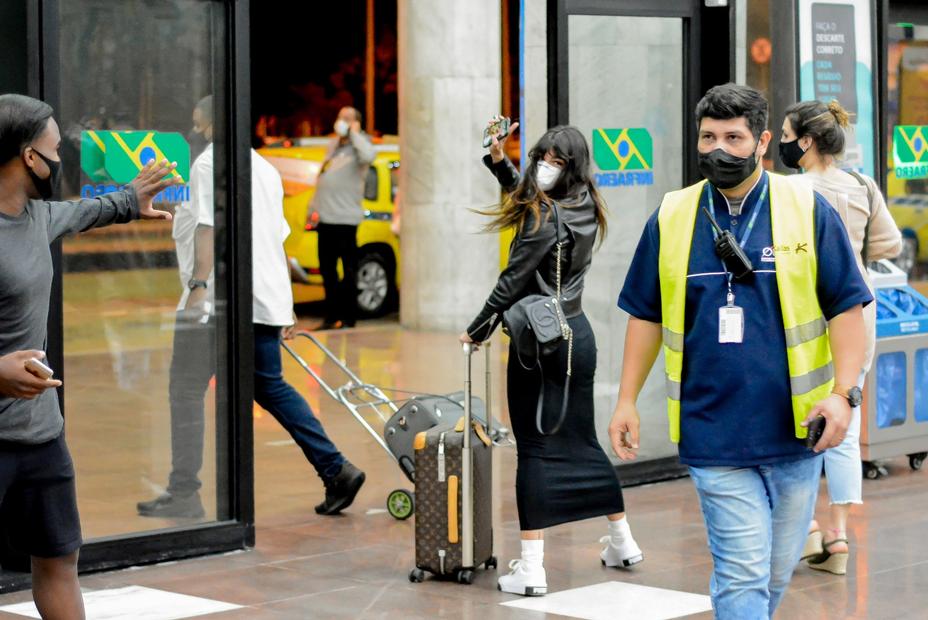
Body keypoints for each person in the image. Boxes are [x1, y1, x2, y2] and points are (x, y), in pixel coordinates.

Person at [609, 83, 872, 619]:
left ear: (763, 142)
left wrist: (845, 395)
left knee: (772, 574)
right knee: (742, 572)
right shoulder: (672, 215)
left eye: (734, 137)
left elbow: (847, 308)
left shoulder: (807, 209)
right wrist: (626, 399)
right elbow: (647, 314)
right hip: (713, 430)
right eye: (708, 137)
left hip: (797, 431)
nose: (719, 150)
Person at [138, 98, 365, 520]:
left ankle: (184, 491)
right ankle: (337, 470)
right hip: (261, 299)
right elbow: (274, 237)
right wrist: (284, 306)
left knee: (185, 390)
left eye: (196, 119)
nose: (194, 126)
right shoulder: (262, 167)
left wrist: (199, 289)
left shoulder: (209, 165)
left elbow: (208, 227)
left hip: (217, 302)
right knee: (271, 387)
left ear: (207, 124)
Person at [0, 93, 177, 620]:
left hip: (41, 437)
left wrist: (132, 196)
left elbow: (88, 211)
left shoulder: (37, 217)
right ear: (30, 157)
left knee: (58, 561)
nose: (64, 159)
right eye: (57, 149)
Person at [461, 119, 642, 598]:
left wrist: (478, 328)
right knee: (581, 438)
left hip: (538, 344)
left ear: (571, 167)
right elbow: (528, 201)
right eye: (542, 157)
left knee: (535, 449)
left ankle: (533, 567)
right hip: (576, 335)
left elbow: (513, 278)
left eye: (556, 161)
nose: (544, 166)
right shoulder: (583, 204)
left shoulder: (545, 217)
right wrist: (501, 161)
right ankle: (623, 542)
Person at [779, 99, 902, 575]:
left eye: (787, 135)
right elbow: (889, 245)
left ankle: (807, 529)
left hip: (806, 316)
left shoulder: (790, 191)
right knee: (844, 419)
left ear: (805, 142)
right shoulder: (861, 184)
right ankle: (839, 538)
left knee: (798, 418)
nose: (783, 143)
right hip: (860, 313)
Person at [311, 106, 376, 330]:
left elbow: (369, 155)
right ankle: (331, 316)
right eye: (340, 117)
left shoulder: (360, 145)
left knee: (349, 270)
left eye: (348, 118)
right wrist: (313, 209)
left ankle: (349, 318)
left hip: (346, 220)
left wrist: (354, 133)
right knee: (327, 270)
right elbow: (323, 177)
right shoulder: (334, 146)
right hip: (326, 219)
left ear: (357, 122)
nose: (342, 121)